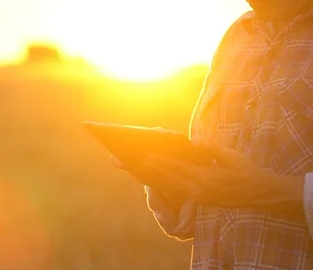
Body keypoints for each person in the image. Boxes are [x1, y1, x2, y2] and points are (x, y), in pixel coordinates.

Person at [114, 0, 313, 269]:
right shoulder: (236, 37)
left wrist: (265, 190)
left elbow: (247, 188)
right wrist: (175, 180)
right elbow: (212, 209)